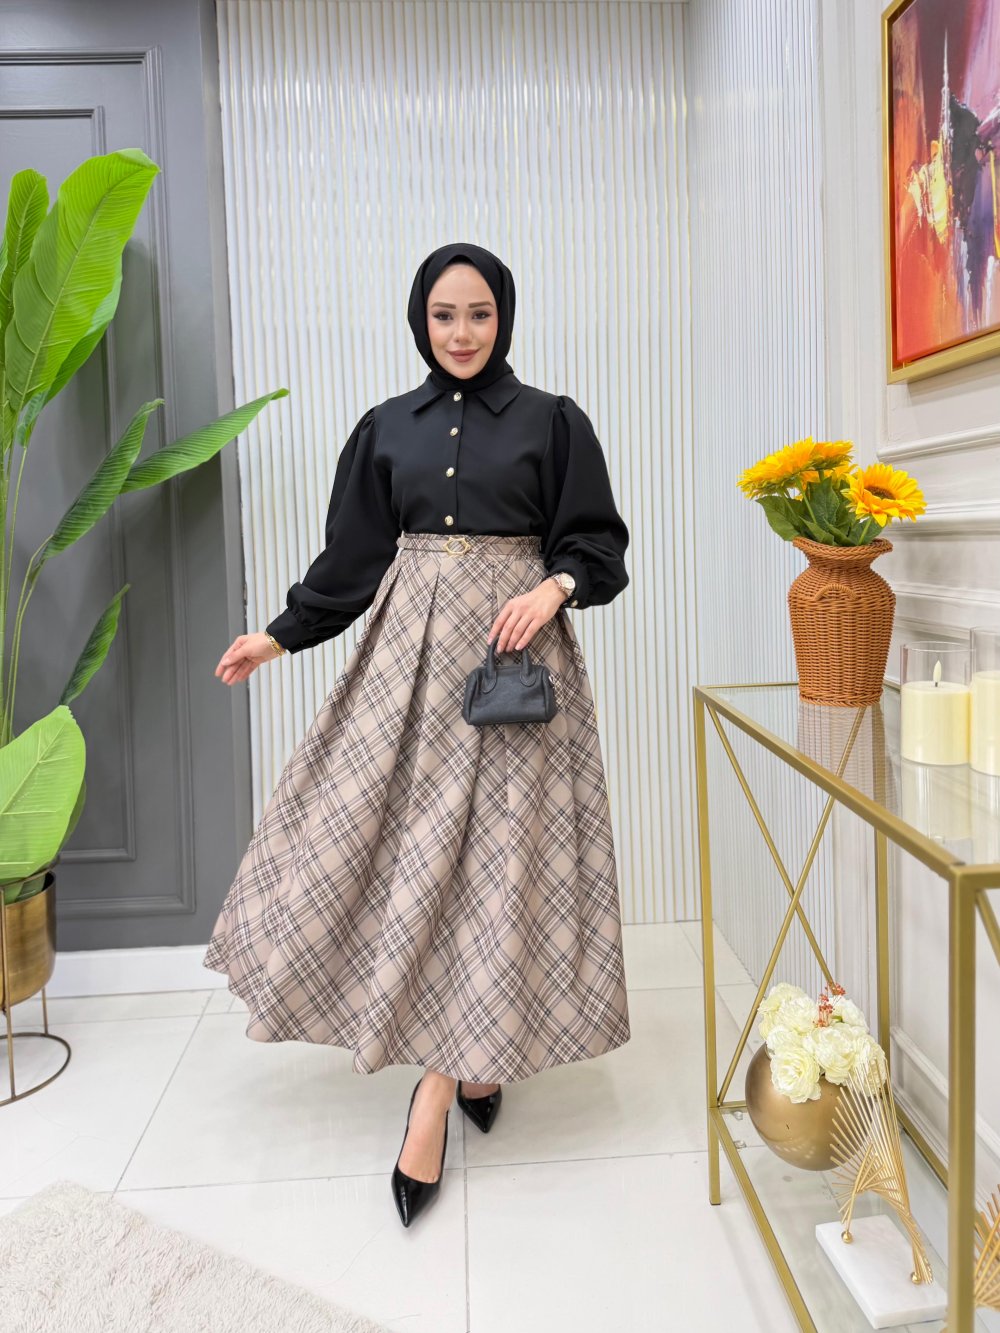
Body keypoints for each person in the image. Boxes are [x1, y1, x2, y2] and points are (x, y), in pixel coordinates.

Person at [204, 242, 632, 1228]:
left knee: (492, 870)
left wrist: (553, 587)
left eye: (479, 313)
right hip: (408, 674)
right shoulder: (385, 428)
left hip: (513, 674)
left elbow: (599, 546)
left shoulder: (553, 421)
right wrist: (277, 635)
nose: (462, 332)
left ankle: (435, 1096)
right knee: (409, 860)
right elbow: (350, 563)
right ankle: (469, 1063)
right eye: (444, 315)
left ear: (503, 317)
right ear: (419, 320)